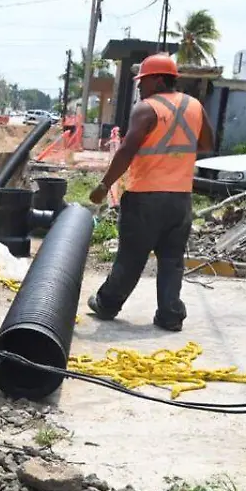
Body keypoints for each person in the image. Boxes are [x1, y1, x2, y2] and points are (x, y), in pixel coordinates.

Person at [86, 53, 214, 331]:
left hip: (145, 197)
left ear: (157, 80)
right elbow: (206, 144)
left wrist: (105, 184)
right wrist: (177, 152)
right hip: (180, 198)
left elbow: (127, 150)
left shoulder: (146, 108)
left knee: (131, 256)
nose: (140, 87)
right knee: (171, 260)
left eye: (143, 81)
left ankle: (107, 304)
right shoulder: (195, 106)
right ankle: (170, 315)